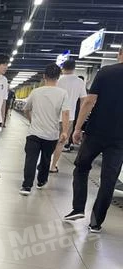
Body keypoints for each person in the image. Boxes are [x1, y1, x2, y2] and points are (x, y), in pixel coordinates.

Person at [64, 46, 123, 233]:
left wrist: (77, 128)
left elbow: (89, 101)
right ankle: (96, 223)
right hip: (120, 139)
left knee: (81, 167)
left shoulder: (106, 72)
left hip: (96, 132)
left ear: (119, 53)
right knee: (109, 180)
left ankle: (78, 208)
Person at [19, 63, 71, 196]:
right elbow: (65, 113)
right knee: (46, 159)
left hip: (34, 133)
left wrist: (31, 120)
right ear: (58, 77)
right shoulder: (63, 93)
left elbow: (26, 109)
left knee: (30, 159)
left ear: (44, 76)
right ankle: (41, 181)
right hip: (51, 134)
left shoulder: (36, 92)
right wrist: (65, 131)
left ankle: (26, 186)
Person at [50, 59, 88, 173]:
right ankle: (53, 166)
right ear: (74, 68)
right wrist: (81, 117)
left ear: (63, 68)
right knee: (61, 143)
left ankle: (44, 163)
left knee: (49, 141)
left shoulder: (58, 80)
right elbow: (83, 101)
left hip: (53, 115)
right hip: (69, 117)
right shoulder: (79, 82)